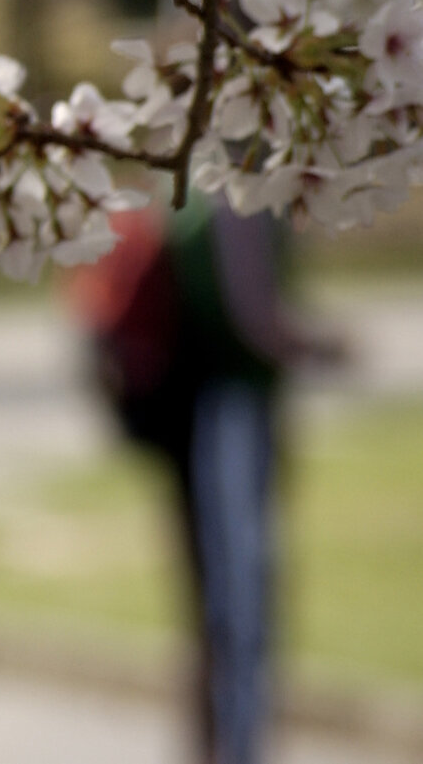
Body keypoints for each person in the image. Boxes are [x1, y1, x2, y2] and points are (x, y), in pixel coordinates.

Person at [79, 196, 343, 764]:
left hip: (188, 422)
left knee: (209, 600)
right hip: (230, 421)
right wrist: (326, 346)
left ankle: (215, 743)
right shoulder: (232, 204)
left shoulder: (182, 201)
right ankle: (236, 745)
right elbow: (255, 319)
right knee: (238, 598)